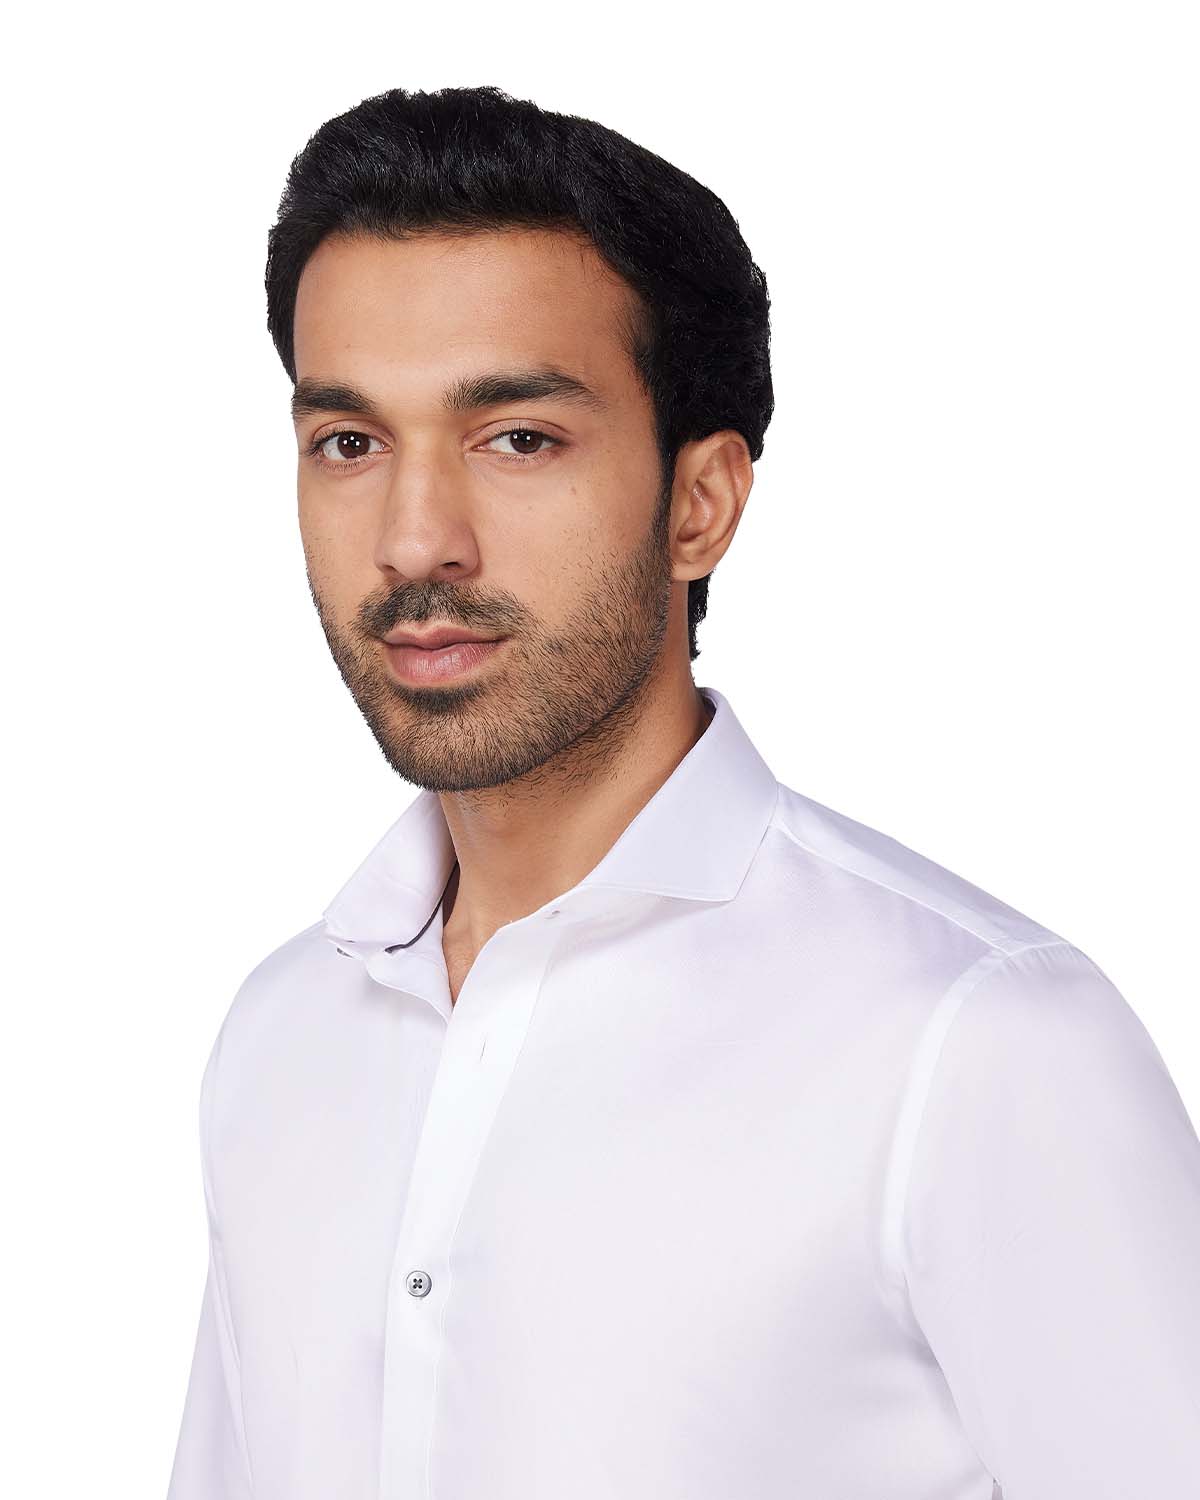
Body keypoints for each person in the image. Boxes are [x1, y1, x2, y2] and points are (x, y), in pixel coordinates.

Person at [166, 85, 1200, 1500]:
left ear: (700, 503)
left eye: (517, 437)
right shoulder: (281, 1038)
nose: (415, 540)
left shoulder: (979, 1045)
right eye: (350, 443)